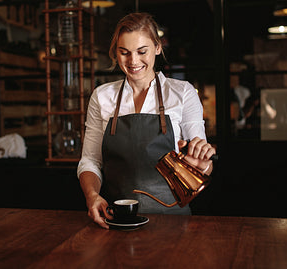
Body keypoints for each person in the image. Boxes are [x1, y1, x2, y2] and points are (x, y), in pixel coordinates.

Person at [77, 13, 216, 229]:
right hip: (117, 219)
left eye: (142, 51)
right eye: (124, 53)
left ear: (157, 47)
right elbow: (90, 161)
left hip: (174, 221)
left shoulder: (182, 93)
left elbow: (201, 165)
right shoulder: (102, 96)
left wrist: (202, 165)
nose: (133, 61)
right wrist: (92, 195)